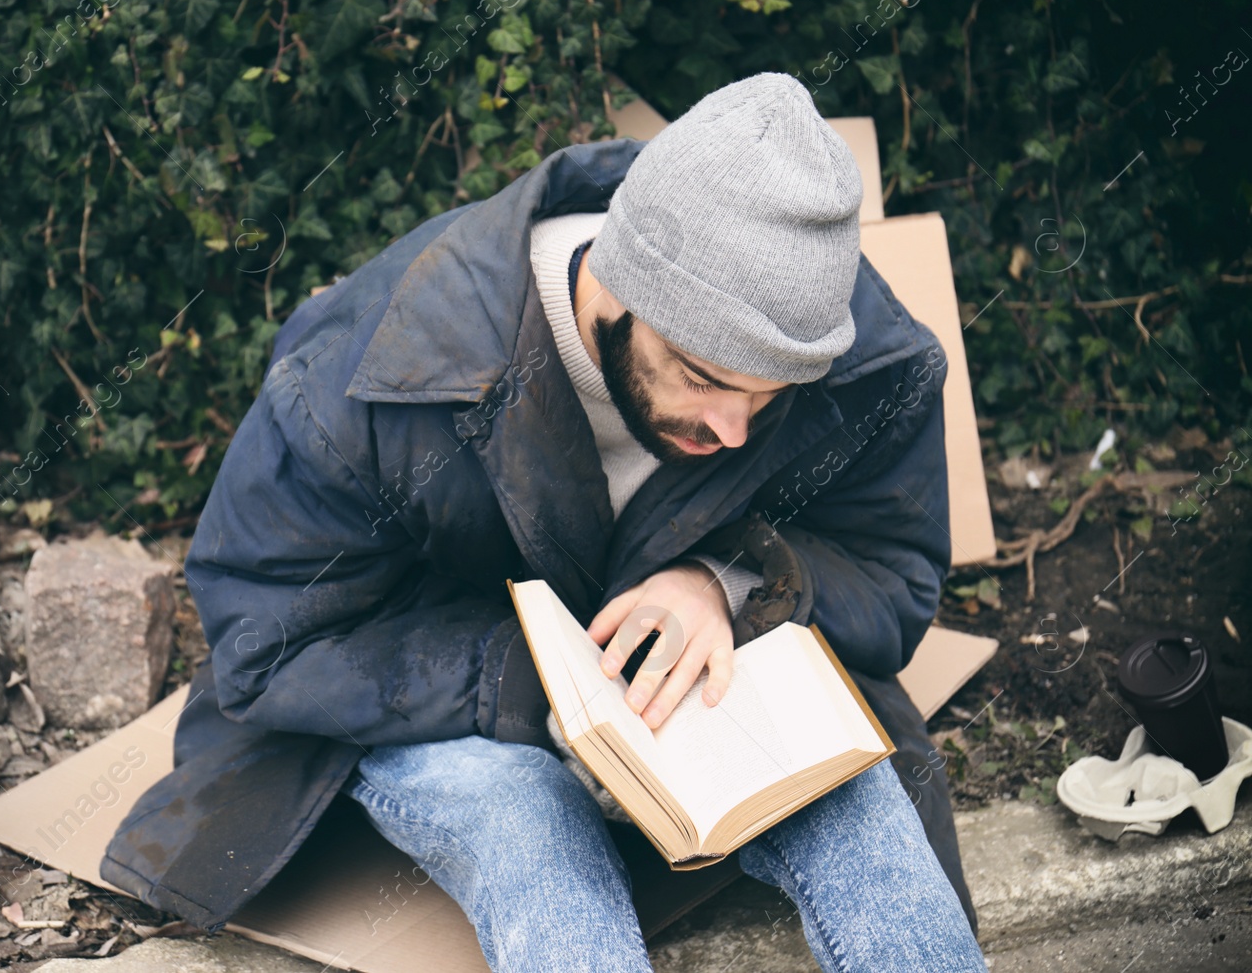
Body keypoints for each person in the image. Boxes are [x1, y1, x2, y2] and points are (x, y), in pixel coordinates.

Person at [104, 73, 988, 971]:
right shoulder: (365, 374)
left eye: (769, 401)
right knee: (530, 831)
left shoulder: (856, 353)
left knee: (864, 815)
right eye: (705, 377)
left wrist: (723, 585)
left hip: (717, 696)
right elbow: (269, 637)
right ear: (617, 285)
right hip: (459, 711)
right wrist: (527, 687)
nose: (732, 430)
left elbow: (890, 565)